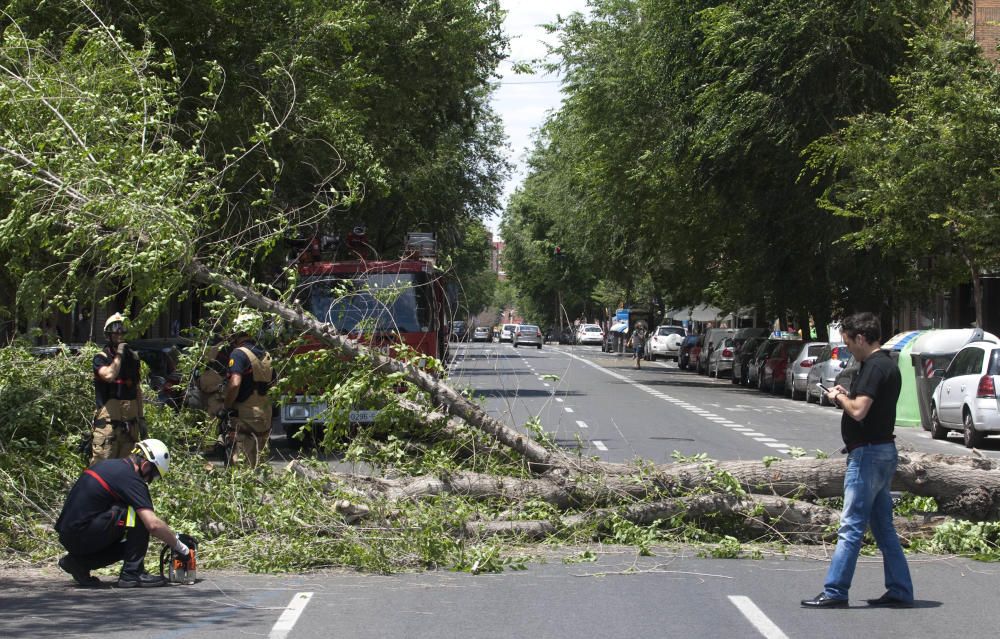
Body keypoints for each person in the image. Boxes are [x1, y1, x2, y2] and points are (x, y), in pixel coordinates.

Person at [801, 312, 914, 609]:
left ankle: (836, 590)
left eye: (849, 342)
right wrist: (847, 393)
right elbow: (870, 406)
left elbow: (860, 411)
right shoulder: (887, 365)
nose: (849, 347)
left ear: (861, 338)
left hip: (867, 455)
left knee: (851, 525)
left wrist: (839, 398)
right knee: (883, 527)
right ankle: (901, 589)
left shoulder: (874, 367)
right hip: (883, 451)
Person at [55, 439, 191, 588]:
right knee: (137, 514)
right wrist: (180, 547)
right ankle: (132, 573)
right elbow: (153, 525)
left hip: (71, 535)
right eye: (154, 476)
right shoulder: (131, 479)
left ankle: (78, 564)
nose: (150, 481)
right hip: (83, 535)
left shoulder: (111, 466)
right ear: (146, 466)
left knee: (129, 546)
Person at [219, 311, 274, 467]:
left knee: (240, 466)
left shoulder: (238, 354)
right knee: (259, 462)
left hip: (244, 416)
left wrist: (226, 407)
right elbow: (274, 384)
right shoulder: (266, 355)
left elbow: (235, 383)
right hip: (264, 415)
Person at [91, 313, 146, 463]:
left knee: (127, 468)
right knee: (102, 467)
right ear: (108, 335)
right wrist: (119, 355)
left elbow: (137, 390)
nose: (119, 333)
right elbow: (109, 375)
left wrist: (141, 419)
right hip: (108, 427)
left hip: (129, 426)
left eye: (122, 330)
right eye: (115, 330)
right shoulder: (100, 358)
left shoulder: (133, 359)